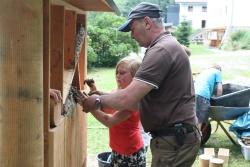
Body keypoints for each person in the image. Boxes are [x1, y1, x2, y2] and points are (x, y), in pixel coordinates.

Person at [79, 2, 200, 167]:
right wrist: (100, 94)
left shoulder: (161, 50)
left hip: (174, 140)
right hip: (173, 138)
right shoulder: (165, 46)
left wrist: (97, 102)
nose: (131, 35)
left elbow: (128, 99)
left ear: (147, 23)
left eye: (132, 28)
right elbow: (137, 101)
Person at [84, 57, 146, 167]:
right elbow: (107, 107)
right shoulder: (118, 92)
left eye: (122, 73)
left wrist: (88, 105)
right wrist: (95, 91)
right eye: (117, 72)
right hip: (117, 149)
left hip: (130, 153)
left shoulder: (133, 101)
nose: (118, 75)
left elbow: (109, 121)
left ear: (135, 76)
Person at [195, 64, 223, 129]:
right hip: (202, 95)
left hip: (193, 93)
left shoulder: (204, 71)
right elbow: (219, 89)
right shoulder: (217, 72)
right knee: (201, 119)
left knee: (194, 116)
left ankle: (191, 135)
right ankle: (197, 137)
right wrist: (218, 99)